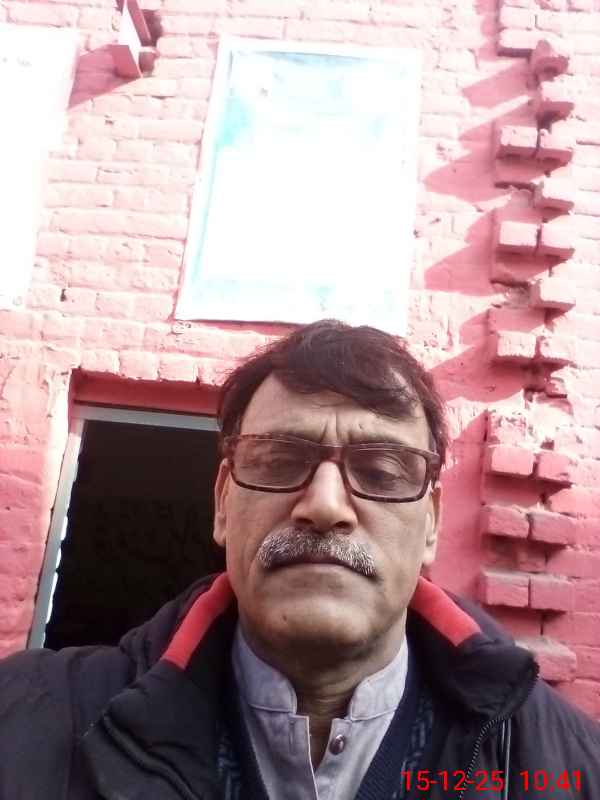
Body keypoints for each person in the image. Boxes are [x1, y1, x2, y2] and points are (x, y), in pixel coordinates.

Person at [0, 319, 599, 800]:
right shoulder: (21, 719)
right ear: (223, 503)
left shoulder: (571, 769)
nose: (325, 506)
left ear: (431, 526)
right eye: (280, 460)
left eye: (381, 471)